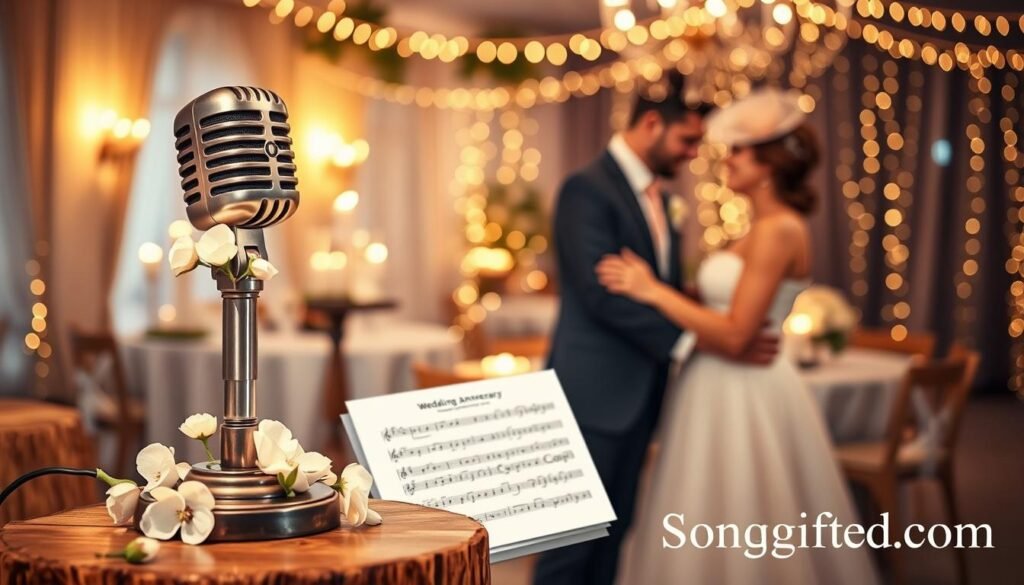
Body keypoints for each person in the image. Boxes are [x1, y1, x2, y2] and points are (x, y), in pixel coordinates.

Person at [596, 88, 881, 584]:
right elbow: (723, 305)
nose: (725, 161)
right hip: (713, 385)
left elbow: (734, 335)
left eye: (737, 152)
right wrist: (679, 290)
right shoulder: (758, 227)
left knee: (748, 506)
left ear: (767, 164)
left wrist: (651, 291)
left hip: (746, 387)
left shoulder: (779, 231)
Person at [534, 76, 779, 585]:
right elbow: (601, 295)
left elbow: (656, 285)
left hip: (642, 394)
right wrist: (699, 340)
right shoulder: (587, 189)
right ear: (651, 124)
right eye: (687, 140)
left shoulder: (660, 197)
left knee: (613, 534)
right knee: (569, 547)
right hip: (592, 396)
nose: (693, 154)